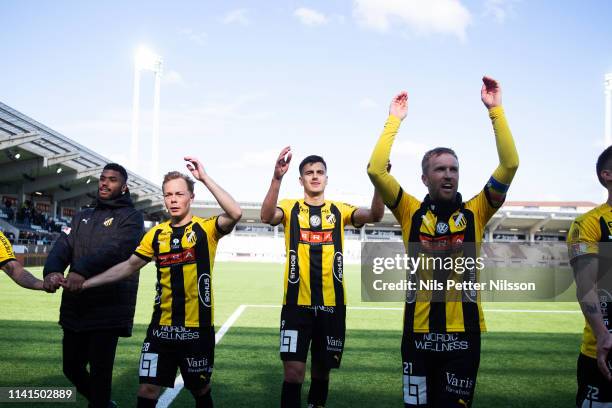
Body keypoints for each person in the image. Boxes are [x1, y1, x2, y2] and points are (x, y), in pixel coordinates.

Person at [367, 76, 519, 407]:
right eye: (439, 169)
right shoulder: (409, 211)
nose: (448, 174)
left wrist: (496, 111)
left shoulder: (477, 211)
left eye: (453, 169)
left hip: (463, 341)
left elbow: (510, 165)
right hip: (417, 338)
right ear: (425, 177)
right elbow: (376, 170)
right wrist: (394, 119)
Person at [81, 157, 242, 408]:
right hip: (160, 329)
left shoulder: (206, 230)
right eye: (168, 195)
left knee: (200, 389)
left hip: (196, 330)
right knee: (146, 389)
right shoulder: (156, 234)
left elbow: (235, 212)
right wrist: (86, 284)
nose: (173, 199)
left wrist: (205, 178)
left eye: (179, 194)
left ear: (191, 197)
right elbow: (128, 266)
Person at [261, 150, 385, 408]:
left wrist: (379, 181)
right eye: (309, 173)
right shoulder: (289, 207)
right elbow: (266, 216)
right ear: (301, 180)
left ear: (327, 178)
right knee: (293, 372)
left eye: (319, 173)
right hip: (296, 306)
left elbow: (375, 215)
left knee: (322, 371)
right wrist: (276, 178)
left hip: (332, 306)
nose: (315, 177)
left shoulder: (339, 210)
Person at [43, 163, 145, 408]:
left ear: (124, 186)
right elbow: (63, 245)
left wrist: (81, 270)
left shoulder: (132, 217)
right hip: (75, 305)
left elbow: (117, 251)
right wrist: (53, 270)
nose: (104, 183)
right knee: (71, 368)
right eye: (102, 178)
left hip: (108, 308)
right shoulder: (82, 215)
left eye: (112, 179)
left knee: (100, 375)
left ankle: (100, 403)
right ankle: (104, 405)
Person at [567, 145, 612, 407]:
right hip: (603, 349)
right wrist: (603, 334)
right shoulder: (590, 223)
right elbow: (586, 287)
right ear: (607, 175)